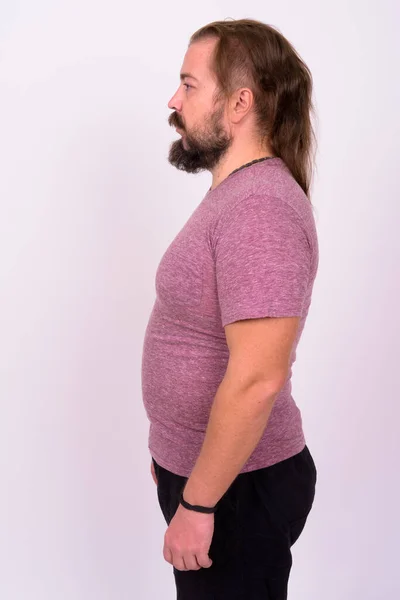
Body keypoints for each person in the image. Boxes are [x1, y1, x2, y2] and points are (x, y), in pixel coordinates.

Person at [141, 17, 319, 600]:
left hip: (237, 489)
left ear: (239, 102)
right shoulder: (237, 197)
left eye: (189, 85)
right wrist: (172, 454)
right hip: (216, 479)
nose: (174, 100)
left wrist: (198, 499)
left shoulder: (260, 207)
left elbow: (258, 378)